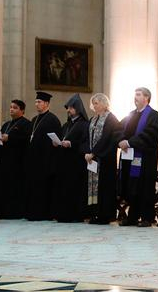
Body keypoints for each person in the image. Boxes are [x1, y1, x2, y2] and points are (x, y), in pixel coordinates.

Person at [118, 87, 158, 227]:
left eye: (138, 95)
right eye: (135, 95)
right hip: (129, 158)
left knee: (144, 187)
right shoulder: (130, 115)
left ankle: (147, 218)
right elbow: (119, 130)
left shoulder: (153, 116)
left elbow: (151, 135)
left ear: (146, 98)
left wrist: (130, 142)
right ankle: (132, 217)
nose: (135, 97)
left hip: (144, 159)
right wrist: (120, 140)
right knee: (131, 187)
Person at [52, 94, 90, 223]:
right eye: (67, 108)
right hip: (64, 163)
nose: (68, 110)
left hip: (77, 163)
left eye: (71, 108)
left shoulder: (85, 125)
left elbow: (86, 143)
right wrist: (57, 143)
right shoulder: (66, 125)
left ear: (78, 109)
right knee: (64, 188)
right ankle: (63, 214)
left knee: (75, 189)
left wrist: (71, 144)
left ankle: (75, 215)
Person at [24, 91, 62, 221]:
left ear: (46, 103)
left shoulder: (53, 120)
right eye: (36, 102)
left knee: (44, 189)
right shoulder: (34, 120)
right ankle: (32, 213)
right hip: (33, 161)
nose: (36, 104)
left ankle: (44, 213)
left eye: (39, 102)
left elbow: (56, 142)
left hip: (46, 161)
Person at [84, 93, 121, 225]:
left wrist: (94, 153)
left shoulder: (111, 119)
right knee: (93, 188)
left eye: (97, 103)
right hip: (92, 159)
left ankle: (105, 215)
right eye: (93, 103)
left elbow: (106, 139)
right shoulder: (93, 119)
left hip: (105, 159)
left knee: (104, 187)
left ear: (105, 104)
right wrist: (87, 152)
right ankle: (94, 214)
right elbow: (87, 137)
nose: (94, 106)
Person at [0, 99, 31, 219]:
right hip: (4, 162)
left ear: (22, 110)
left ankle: (15, 212)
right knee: (3, 187)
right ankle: (2, 212)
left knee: (15, 188)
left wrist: (10, 138)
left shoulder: (26, 124)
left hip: (17, 162)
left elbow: (26, 140)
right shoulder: (6, 124)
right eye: (11, 107)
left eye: (15, 107)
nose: (12, 109)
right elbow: (1, 139)